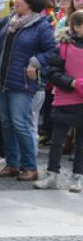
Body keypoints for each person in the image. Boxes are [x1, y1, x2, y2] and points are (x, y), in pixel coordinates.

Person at [0, 0, 56, 181]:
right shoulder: (9, 21)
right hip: (1, 80)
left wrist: (35, 63)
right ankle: (12, 164)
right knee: (6, 124)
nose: (15, 0)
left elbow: (52, 51)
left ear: (31, 1)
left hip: (21, 83)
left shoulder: (41, 25)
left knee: (20, 123)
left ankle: (30, 166)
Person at [37, 10, 83, 191]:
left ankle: (78, 176)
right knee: (57, 140)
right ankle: (52, 173)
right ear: (77, 26)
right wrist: (71, 82)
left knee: (82, 143)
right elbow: (53, 72)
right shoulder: (63, 46)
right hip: (66, 98)